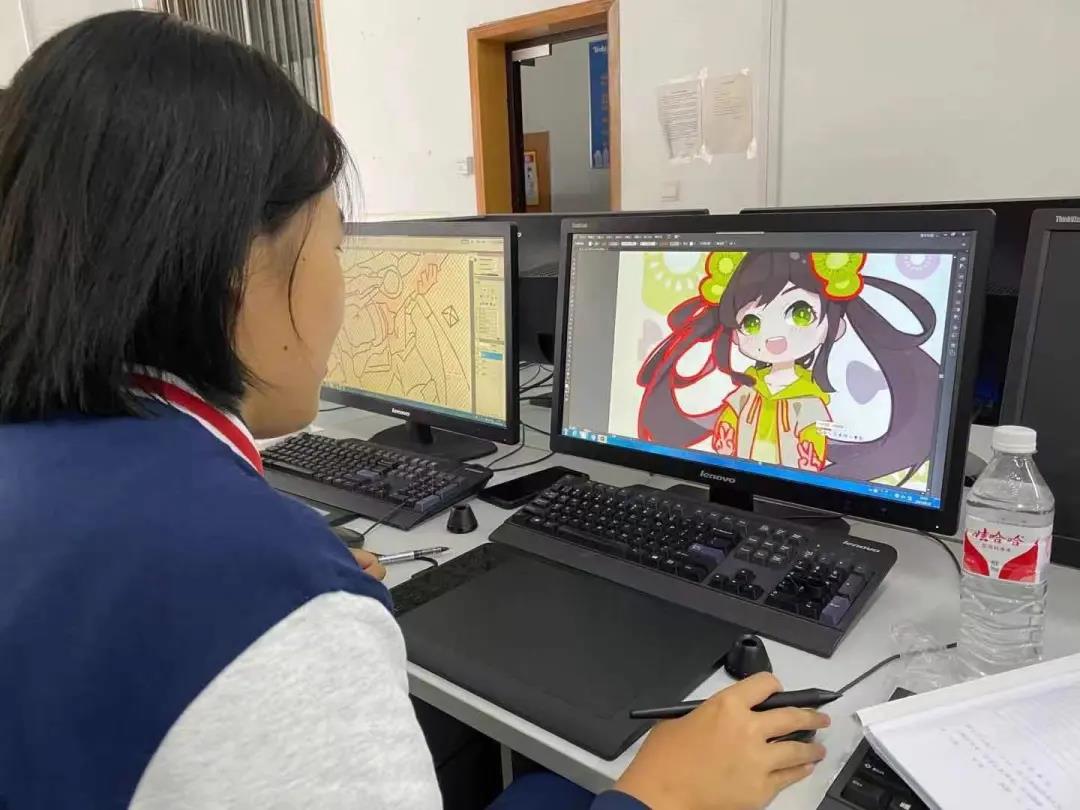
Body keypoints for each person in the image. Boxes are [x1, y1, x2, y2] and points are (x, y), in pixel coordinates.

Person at [0, 11, 828, 809]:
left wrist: (283, 573)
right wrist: (664, 797)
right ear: (234, 267)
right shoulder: (261, 596)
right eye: (335, 247)